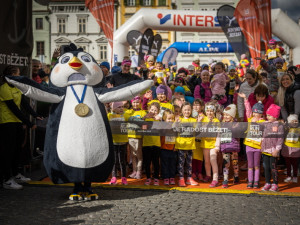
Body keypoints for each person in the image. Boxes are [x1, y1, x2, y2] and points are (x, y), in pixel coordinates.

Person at [0, 66, 41, 189]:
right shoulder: (4, 88)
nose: (20, 77)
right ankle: (7, 179)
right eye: (18, 75)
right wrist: (29, 123)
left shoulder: (16, 87)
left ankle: (16, 174)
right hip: (7, 122)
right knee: (8, 151)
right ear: (12, 76)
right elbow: (14, 109)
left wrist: (35, 115)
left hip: (17, 122)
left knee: (18, 149)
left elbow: (24, 104)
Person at [240, 96, 265, 189]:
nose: (255, 114)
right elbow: (248, 110)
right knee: (250, 165)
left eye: (257, 112)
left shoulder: (263, 122)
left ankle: (256, 181)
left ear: (261, 114)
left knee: (257, 165)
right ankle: (250, 181)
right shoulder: (250, 120)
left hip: (258, 147)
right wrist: (245, 99)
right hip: (249, 146)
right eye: (254, 112)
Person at [214, 104, 240, 188]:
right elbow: (219, 135)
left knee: (235, 163)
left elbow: (238, 135)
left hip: (234, 147)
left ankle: (236, 176)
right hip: (225, 147)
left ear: (232, 115)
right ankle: (225, 180)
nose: (225, 116)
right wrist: (217, 146)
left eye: (227, 115)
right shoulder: (222, 124)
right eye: (224, 115)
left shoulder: (236, 124)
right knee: (226, 164)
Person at [175, 102, 200, 187]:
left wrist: (199, 123)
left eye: (189, 110)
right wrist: (176, 123)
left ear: (191, 110)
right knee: (181, 163)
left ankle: (189, 178)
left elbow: (197, 132)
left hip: (190, 145)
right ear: (182, 110)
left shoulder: (194, 120)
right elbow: (174, 130)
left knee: (189, 163)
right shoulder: (179, 119)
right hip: (181, 145)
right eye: (185, 110)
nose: (187, 111)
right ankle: (181, 179)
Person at [261, 104, 284, 192]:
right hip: (265, 150)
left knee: (273, 167)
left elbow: (280, 139)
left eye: (270, 115)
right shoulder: (266, 124)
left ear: (275, 116)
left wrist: (277, 149)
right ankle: (267, 182)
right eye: (267, 115)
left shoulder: (279, 126)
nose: (267, 117)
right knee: (266, 168)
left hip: (273, 151)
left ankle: (275, 183)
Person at [124, 96, 147, 179]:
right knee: (133, 155)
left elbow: (144, 124)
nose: (136, 104)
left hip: (139, 137)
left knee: (139, 155)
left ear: (140, 103)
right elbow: (124, 114)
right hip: (130, 136)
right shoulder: (128, 112)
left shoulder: (143, 112)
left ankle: (139, 171)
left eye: (137, 102)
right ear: (131, 103)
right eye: (134, 102)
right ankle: (134, 171)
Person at [199, 102, 220, 185]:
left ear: (214, 112)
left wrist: (217, 145)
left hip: (213, 144)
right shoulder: (203, 119)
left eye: (211, 111)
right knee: (207, 161)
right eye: (208, 111)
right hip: (205, 144)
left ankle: (215, 178)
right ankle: (208, 175)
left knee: (213, 160)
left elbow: (219, 134)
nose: (209, 113)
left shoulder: (217, 121)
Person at [108, 102, 128, 185]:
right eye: (119, 107)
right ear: (113, 108)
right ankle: (114, 177)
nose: (121, 108)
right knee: (114, 161)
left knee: (122, 161)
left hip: (123, 141)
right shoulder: (109, 116)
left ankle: (124, 178)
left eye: (122, 107)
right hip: (113, 142)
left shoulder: (125, 115)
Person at [143, 102, 161, 185]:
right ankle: (148, 177)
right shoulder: (146, 118)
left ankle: (156, 177)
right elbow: (142, 129)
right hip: (146, 144)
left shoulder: (159, 119)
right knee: (147, 162)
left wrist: (159, 119)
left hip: (156, 144)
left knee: (156, 162)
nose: (153, 111)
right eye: (152, 109)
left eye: (155, 110)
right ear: (149, 110)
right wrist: (145, 118)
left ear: (158, 111)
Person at [282, 114, 300, 183]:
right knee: (288, 164)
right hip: (287, 148)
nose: (295, 123)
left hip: (296, 149)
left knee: (295, 164)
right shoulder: (286, 128)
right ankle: (289, 176)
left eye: (296, 121)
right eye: (293, 121)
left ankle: (295, 177)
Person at [160, 110, 177, 185]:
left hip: (173, 149)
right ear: (164, 119)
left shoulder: (175, 128)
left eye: (172, 119)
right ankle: (166, 177)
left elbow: (177, 137)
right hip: (164, 148)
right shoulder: (163, 128)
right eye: (169, 119)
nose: (171, 120)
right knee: (165, 164)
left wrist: (176, 146)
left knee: (172, 164)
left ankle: (172, 177)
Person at [191, 99, 205, 181]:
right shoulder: (191, 115)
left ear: (202, 107)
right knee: (193, 157)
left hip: (201, 140)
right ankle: (193, 172)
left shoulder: (204, 117)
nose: (196, 107)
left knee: (200, 158)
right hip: (192, 140)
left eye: (197, 105)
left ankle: (199, 172)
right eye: (194, 105)